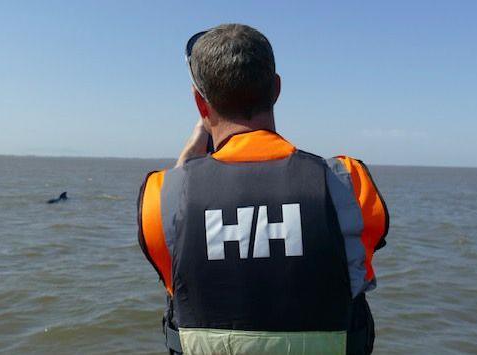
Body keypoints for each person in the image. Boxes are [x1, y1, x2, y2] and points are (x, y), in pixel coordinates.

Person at [137, 24, 389, 355]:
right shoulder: (348, 183)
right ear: (277, 89)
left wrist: (191, 156)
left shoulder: (162, 197)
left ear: (200, 104)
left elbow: (173, 248)